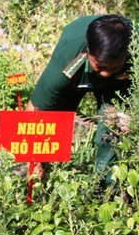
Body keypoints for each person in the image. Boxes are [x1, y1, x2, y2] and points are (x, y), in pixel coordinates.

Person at [26, 14, 133, 186]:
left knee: (112, 132)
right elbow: (36, 108)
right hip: (77, 72)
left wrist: (130, 117)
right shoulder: (68, 56)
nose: (106, 73)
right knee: (53, 124)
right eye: (100, 66)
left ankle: (105, 190)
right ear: (89, 50)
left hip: (121, 81)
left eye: (113, 67)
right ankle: (50, 180)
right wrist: (33, 158)